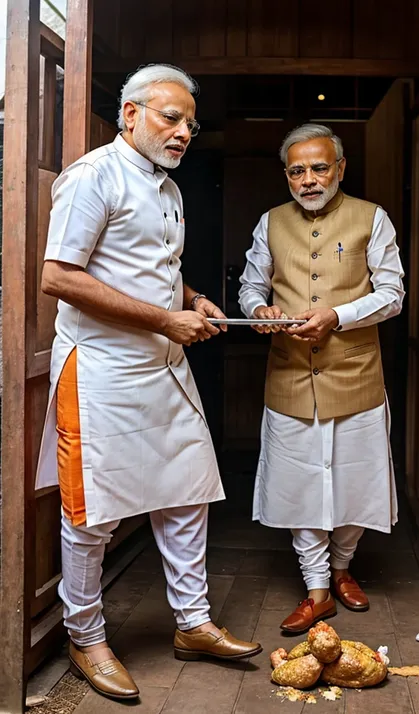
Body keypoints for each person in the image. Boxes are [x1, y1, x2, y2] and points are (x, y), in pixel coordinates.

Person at [37, 63, 261, 702]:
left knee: (187, 493)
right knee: (91, 516)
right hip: (102, 370)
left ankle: (193, 624)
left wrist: (192, 297)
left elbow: (150, 268)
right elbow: (60, 277)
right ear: (129, 114)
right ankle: (86, 638)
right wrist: (167, 317)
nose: (185, 131)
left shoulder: (168, 187)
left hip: (164, 367)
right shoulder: (92, 177)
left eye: (191, 122)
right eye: (171, 117)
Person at [239, 123, 404, 634]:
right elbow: (249, 286)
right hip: (289, 375)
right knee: (298, 484)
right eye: (297, 170)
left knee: (357, 479)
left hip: (355, 375)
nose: (308, 179)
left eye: (318, 168)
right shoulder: (270, 223)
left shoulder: (371, 219)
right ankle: (316, 588)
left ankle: (343, 569)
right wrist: (260, 308)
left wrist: (337, 315)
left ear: (339, 169)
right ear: (286, 175)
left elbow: (393, 293)